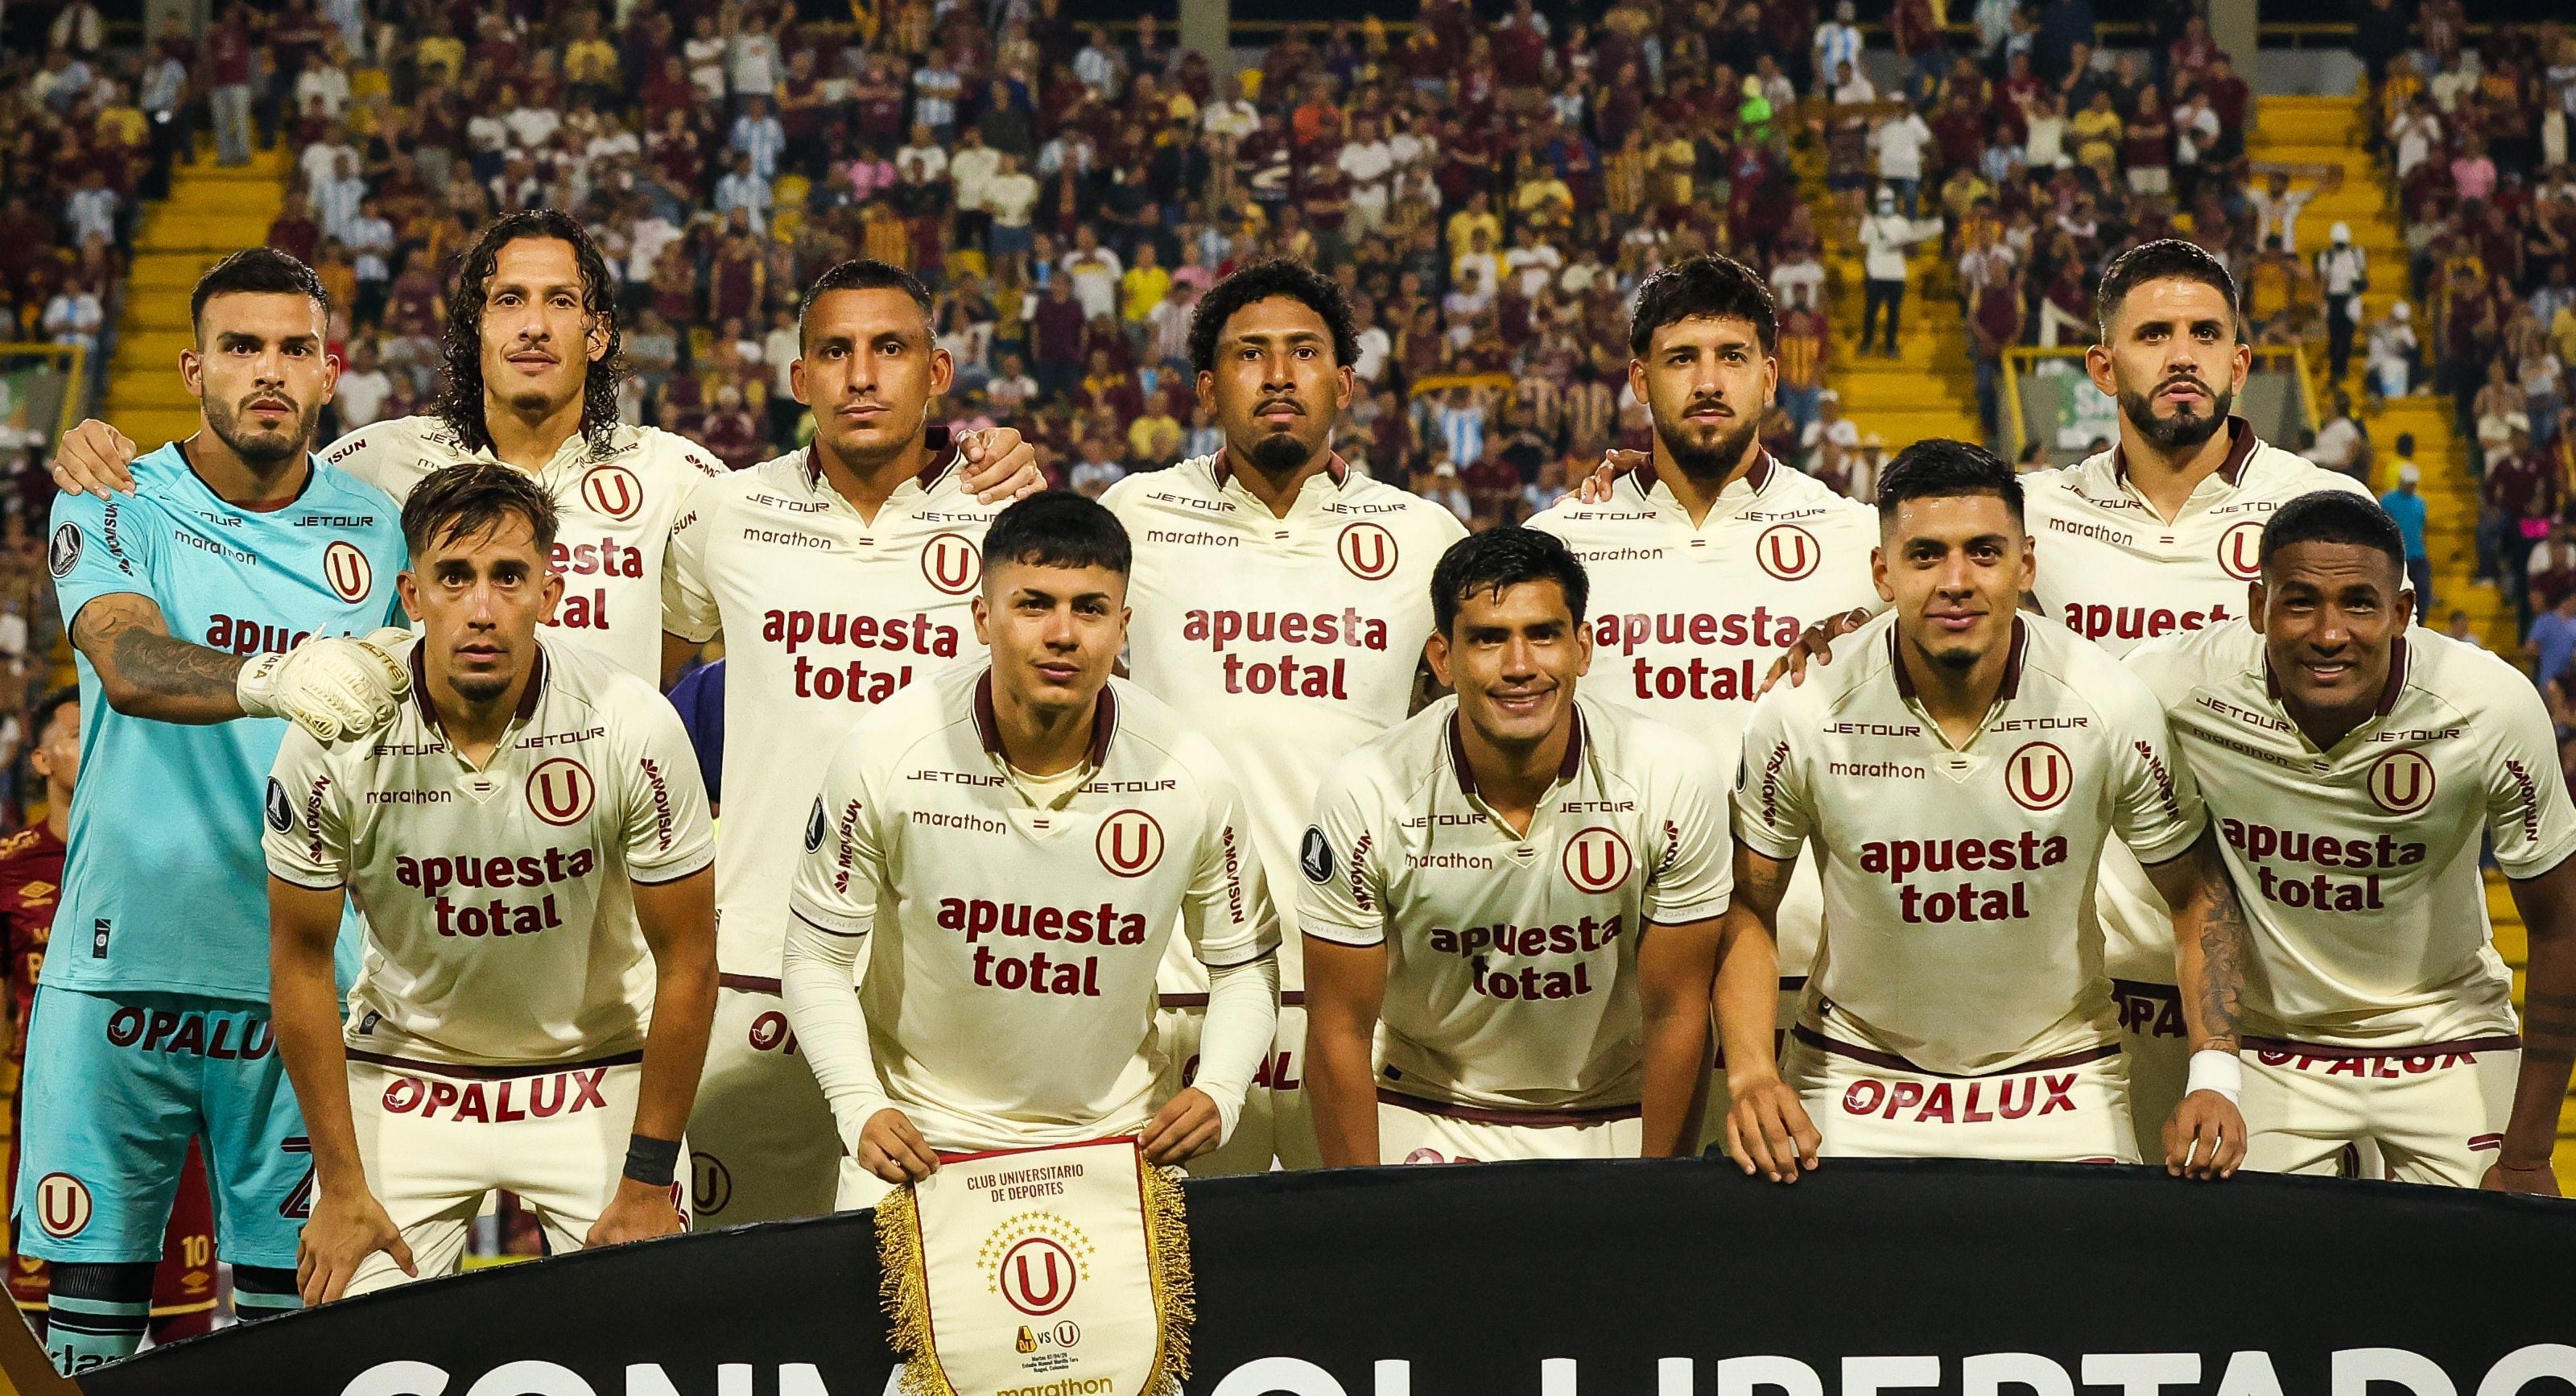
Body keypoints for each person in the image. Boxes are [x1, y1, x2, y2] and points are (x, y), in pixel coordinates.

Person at [43, 211, 1048, 687]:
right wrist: (109, 450)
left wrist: (962, 463)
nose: (532, 324)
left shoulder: (679, 477)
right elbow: (245, 477)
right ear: (472, 329)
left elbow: (822, 568)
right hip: (418, 861)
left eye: (559, 301)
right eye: (506, 301)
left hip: (606, 857)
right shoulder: (374, 464)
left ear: (597, 333)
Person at [22, 250, 415, 1373]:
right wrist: (269, 679)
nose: (269, 371)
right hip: (119, 970)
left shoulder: (376, 529)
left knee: (293, 1344)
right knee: (86, 1341)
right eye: (241, 347)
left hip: (302, 981)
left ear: (330, 370)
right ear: (194, 368)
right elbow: (126, 654)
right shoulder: (112, 495)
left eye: (294, 348)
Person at [1721, 439, 2251, 1179]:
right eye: (1926, 554)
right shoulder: (1802, 704)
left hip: (2061, 1077)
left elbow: (2196, 894)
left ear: (2026, 564)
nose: (1957, 581)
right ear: (1883, 573)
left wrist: (2215, 1077)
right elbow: (1748, 904)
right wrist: (1751, 1074)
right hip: (1855, 1074)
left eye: (1985, 552)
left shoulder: (2105, 700)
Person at [266, 464, 718, 1300]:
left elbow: (688, 957)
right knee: (355, 1350)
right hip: (409, 1074)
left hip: (597, 1072)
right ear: (410, 593)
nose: (481, 608)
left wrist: (648, 1182)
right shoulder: (334, 734)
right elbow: (298, 963)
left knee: (652, 1331)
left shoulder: (628, 722)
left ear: (550, 589)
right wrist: (339, 1186)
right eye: (454, 578)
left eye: (508, 577)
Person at [781, 494, 1281, 1206]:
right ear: (982, 617)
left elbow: (1245, 967)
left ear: (1123, 626)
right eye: (1034, 603)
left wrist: (1223, 1087)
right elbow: (814, 957)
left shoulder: (1189, 773)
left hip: (1116, 1143)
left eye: (1090, 609)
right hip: (918, 1143)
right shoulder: (884, 753)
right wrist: (859, 1103)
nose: (1062, 634)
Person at [661, 261, 1016, 1227]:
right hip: (754, 965)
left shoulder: (1003, 518)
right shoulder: (723, 514)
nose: (862, 375)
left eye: (889, 349)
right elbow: (657, 673)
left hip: (939, 977)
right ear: (799, 378)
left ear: (937, 373)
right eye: (835, 351)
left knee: (922, 1295)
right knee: (739, 1289)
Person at [1101, 261, 1465, 1174]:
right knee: (1181, 1293)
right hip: (1177, 995)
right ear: (1204, 388)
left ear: (1343, 382)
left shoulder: (1424, 537)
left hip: (1361, 998)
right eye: (1248, 355)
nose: (1276, 375)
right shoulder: (1134, 517)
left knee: (1347, 1286)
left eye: (1303, 353)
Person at [2128, 492, 2576, 1192]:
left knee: (2500, 1279)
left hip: (2447, 1032)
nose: (2329, 633)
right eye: (2300, 601)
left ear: (2401, 614)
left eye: (2360, 604)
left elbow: (2559, 925)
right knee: (2232, 1278)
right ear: (2257, 608)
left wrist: (2526, 1154)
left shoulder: (2490, 705)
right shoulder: (2174, 686)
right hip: (2276, 1044)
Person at [1531, 257, 1880, 1147]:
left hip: (1811, 976)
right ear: (1639, 379)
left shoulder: (1852, 543)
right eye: (1681, 358)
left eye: (1732, 355)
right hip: (1604, 974)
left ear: (1771, 372)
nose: (1709, 381)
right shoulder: (1561, 539)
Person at [1302, 528, 1733, 1165]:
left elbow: (1676, 1012)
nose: (1520, 666)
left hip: (1615, 1109)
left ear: (1583, 648)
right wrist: (1365, 1217)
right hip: (1427, 1108)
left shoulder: (1670, 775)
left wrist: (1657, 1199)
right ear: (1443, 659)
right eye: (1488, 639)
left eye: (1544, 634)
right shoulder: (1365, 790)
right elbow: (1338, 1029)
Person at [1, 689, 217, 1345]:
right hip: (57, 1118)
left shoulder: (169, 850)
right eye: (75, 731)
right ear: (40, 759)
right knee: (49, 1327)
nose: (95, 738)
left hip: (165, 1102)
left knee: (188, 1328)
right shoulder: (11, 869)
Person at [2379, 450, 2433, 622]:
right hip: (2398, 554)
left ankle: (2420, 623)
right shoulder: (2387, 500)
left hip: (2417, 554)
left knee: (2423, 592)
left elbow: (2421, 528)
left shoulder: (2420, 503)